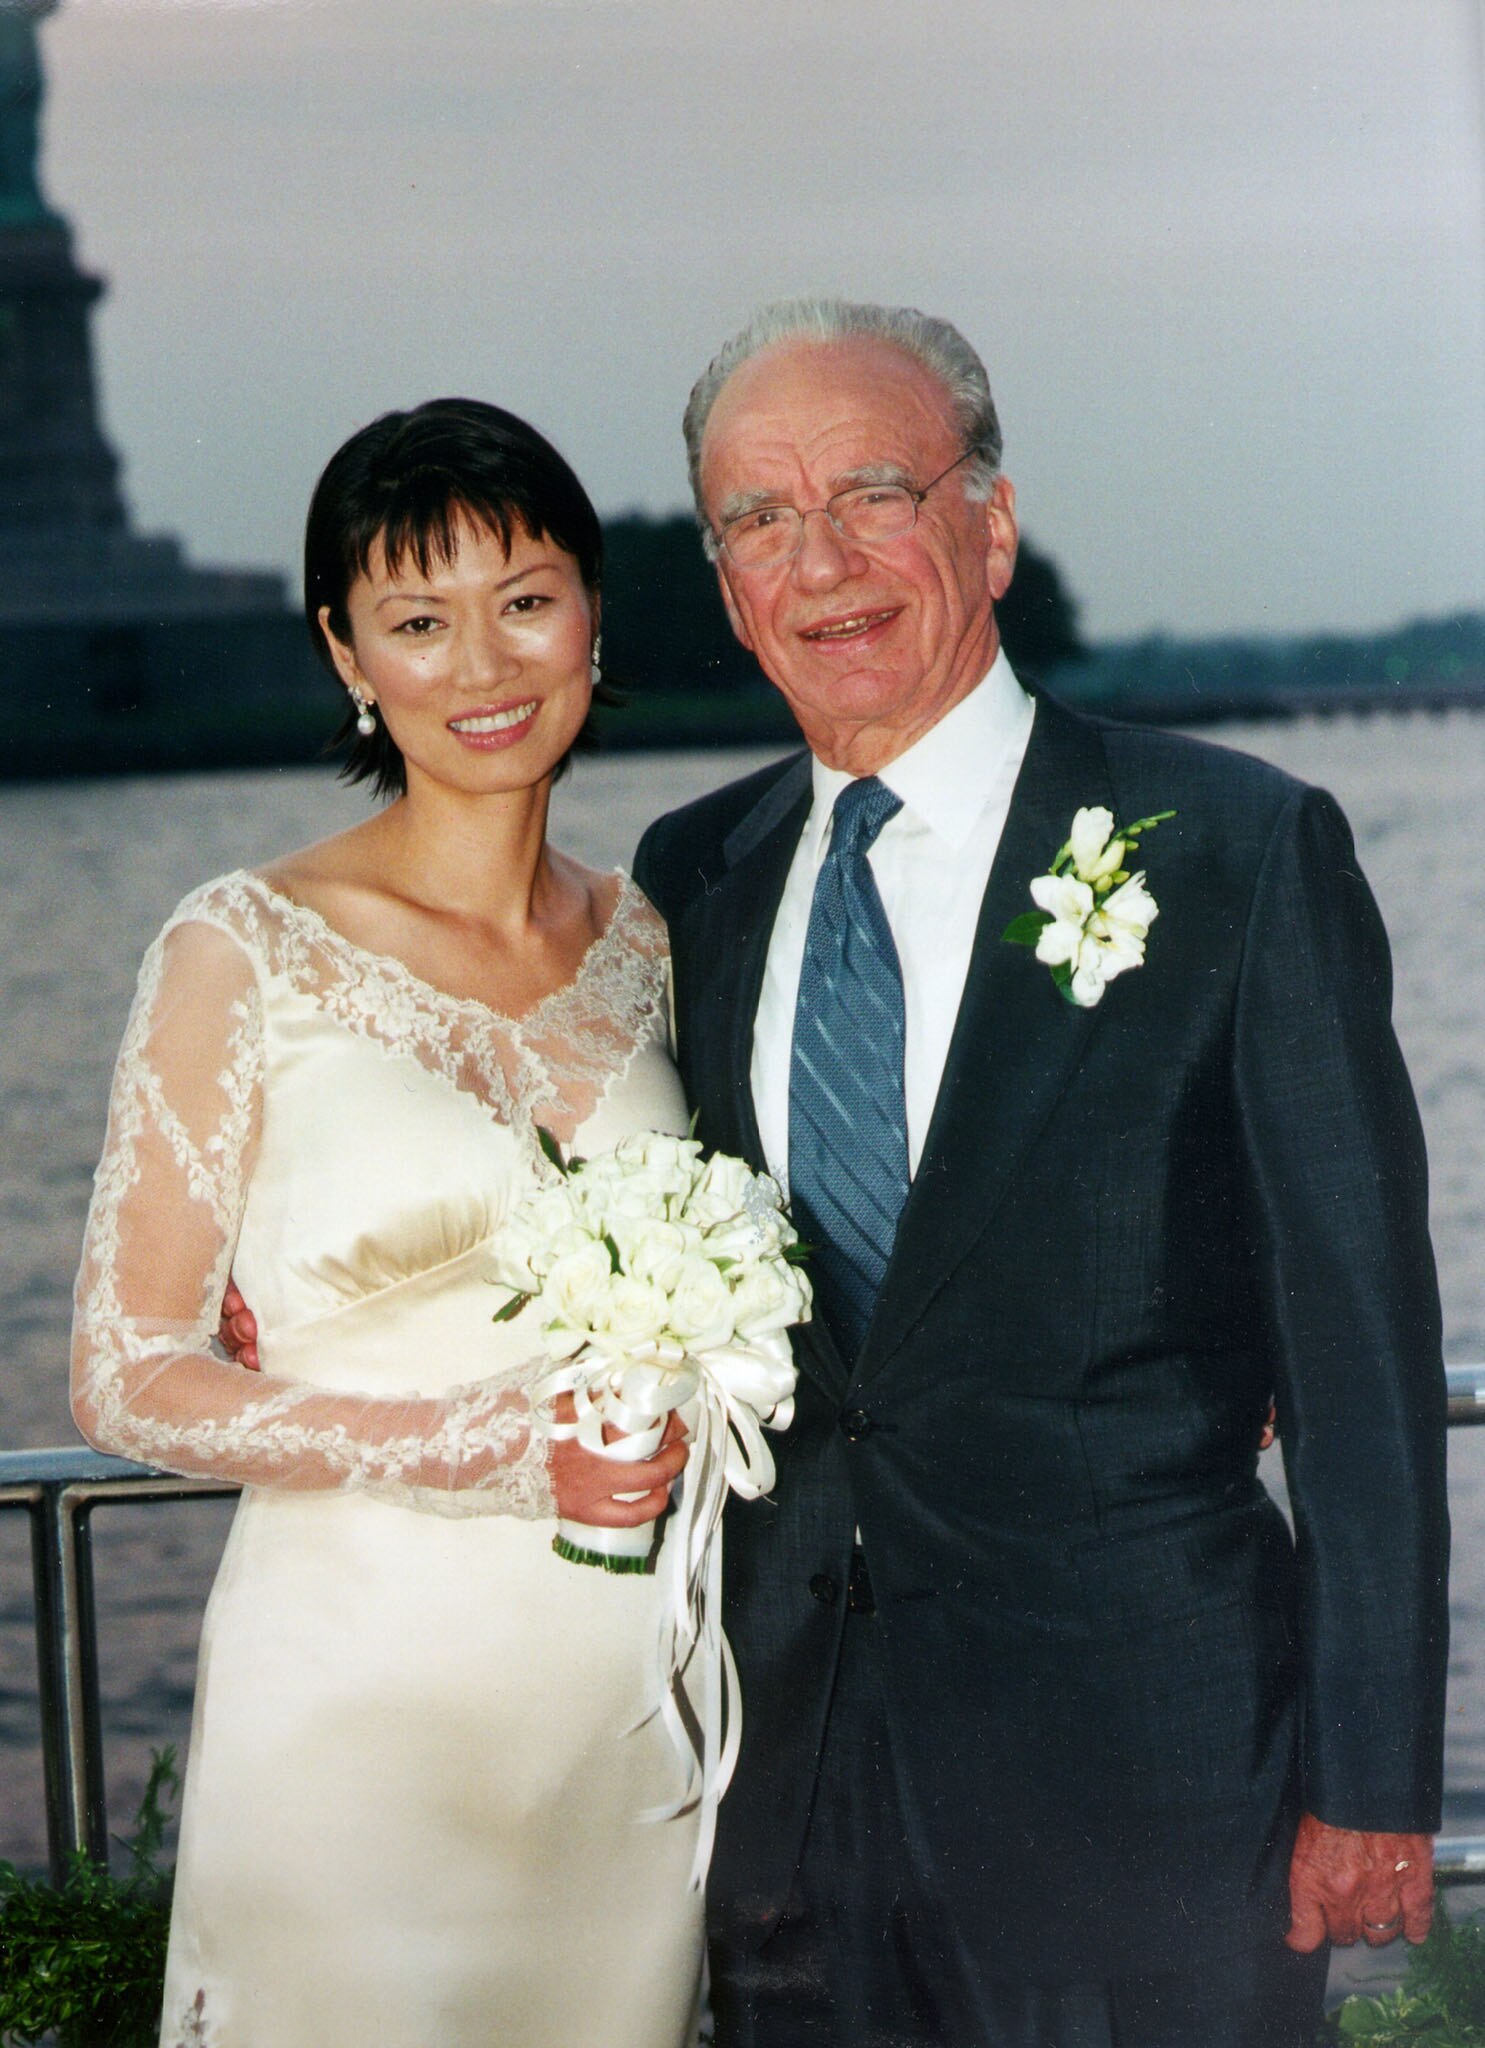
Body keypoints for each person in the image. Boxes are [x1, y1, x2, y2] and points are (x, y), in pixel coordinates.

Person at [630, 300, 1450, 2048]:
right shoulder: (690, 875)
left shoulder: (1233, 849)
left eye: (869, 493)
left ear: (987, 528)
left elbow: (1357, 1368)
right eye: (759, 521)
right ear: (722, 586)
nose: (821, 559)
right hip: (787, 1809)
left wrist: (1371, 1779)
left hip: (1151, 1794)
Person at [70, 398, 704, 2048]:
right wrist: (485, 1442)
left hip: (630, 1720)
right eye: (418, 620)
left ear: (590, 619)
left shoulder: (649, 941)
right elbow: (128, 1373)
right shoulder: (242, 949)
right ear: (348, 655)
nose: (483, 664)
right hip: (359, 1719)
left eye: (526, 597)